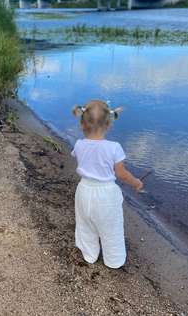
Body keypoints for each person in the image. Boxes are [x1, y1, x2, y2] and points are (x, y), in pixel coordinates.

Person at [71, 100, 143, 269]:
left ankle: (89, 255)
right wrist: (136, 182)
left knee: (85, 224)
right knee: (111, 228)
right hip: (106, 195)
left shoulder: (79, 144)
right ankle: (114, 260)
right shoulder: (114, 147)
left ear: (82, 123)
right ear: (109, 124)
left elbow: (81, 157)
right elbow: (122, 174)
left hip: (83, 191)